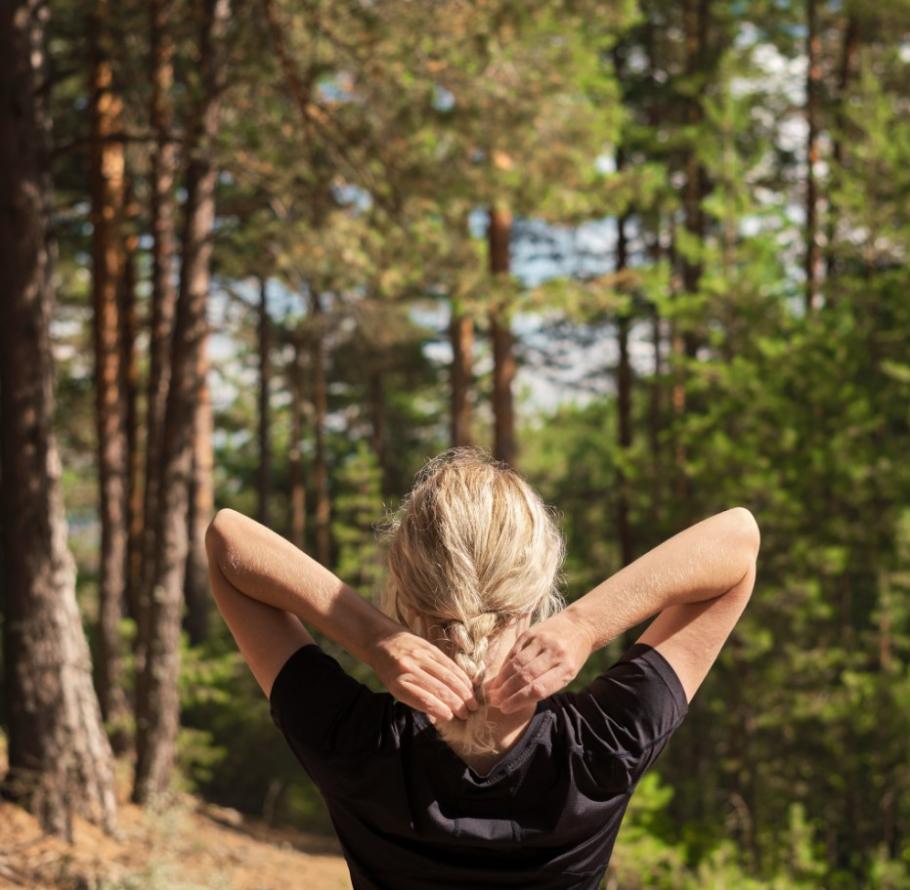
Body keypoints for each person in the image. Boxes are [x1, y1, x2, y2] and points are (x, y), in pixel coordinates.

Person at [205, 446, 760, 889]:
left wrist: (374, 639)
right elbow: (737, 541)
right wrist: (585, 626)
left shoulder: (354, 744)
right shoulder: (600, 749)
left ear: (404, 589)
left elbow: (228, 540)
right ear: (538, 588)